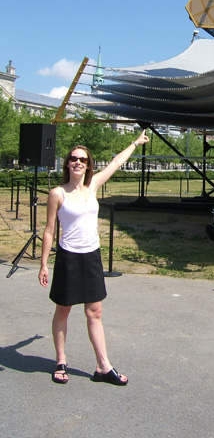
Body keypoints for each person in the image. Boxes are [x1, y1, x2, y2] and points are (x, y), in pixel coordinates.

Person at [38, 130, 149, 385]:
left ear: (88, 165)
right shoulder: (58, 193)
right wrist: (44, 264)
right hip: (68, 257)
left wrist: (135, 142)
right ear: (67, 163)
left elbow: (116, 163)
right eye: (74, 158)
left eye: (83, 159)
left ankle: (103, 367)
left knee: (95, 311)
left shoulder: (93, 185)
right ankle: (60, 360)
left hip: (91, 256)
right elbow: (49, 230)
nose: (78, 162)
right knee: (63, 310)